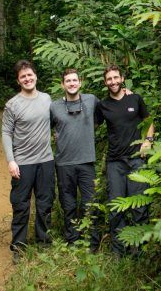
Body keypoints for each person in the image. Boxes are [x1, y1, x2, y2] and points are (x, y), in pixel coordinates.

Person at [95, 65, 155, 256]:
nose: (113, 82)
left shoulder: (135, 98)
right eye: (109, 79)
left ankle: (140, 249)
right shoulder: (103, 105)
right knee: (116, 206)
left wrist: (148, 140)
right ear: (105, 83)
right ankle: (118, 251)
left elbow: (149, 122)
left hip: (137, 159)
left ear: (122, 78)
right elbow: (92, 124)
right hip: (115, 162)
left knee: (139, 205)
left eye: (115, 78)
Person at [1, 60, 55, 262]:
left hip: (46, 161)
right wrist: (10, 161)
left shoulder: (47, 99)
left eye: (30, 75)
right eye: (23, 76)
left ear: (36, 76)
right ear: (18, 81)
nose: (27, 78)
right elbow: (6, 133)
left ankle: (44, 241)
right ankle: (19, 247)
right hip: (22, 162)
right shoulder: (12, 105)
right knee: (21, 205)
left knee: (45, 203)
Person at [49, 68, 101, 250]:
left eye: (74, 80)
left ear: (80, 82)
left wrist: (127, 93)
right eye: (68, 81)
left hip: (87, 161)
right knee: (68, 204)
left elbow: (104, 115)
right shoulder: (54, 106)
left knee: (89, 204)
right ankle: (72, 241)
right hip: (64, 163)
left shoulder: (92, 100)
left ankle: (92, 243)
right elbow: (47, 127)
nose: (71, 83)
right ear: (62, 84)